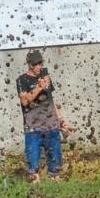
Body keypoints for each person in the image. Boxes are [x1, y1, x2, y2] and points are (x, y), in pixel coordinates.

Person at [16, 51, 71, 183]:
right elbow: (24, 101)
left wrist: (62, 121)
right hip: (33, 128)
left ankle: (56, 191)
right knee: (33, 166)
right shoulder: (22, 80)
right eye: (36, 64)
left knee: (55, 166)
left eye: (41, 63)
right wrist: (39, 87)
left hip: (51, 125)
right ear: (29, 64)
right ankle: (36, 195)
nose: (39, 66)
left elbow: (51, 101)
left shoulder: (45, 76)